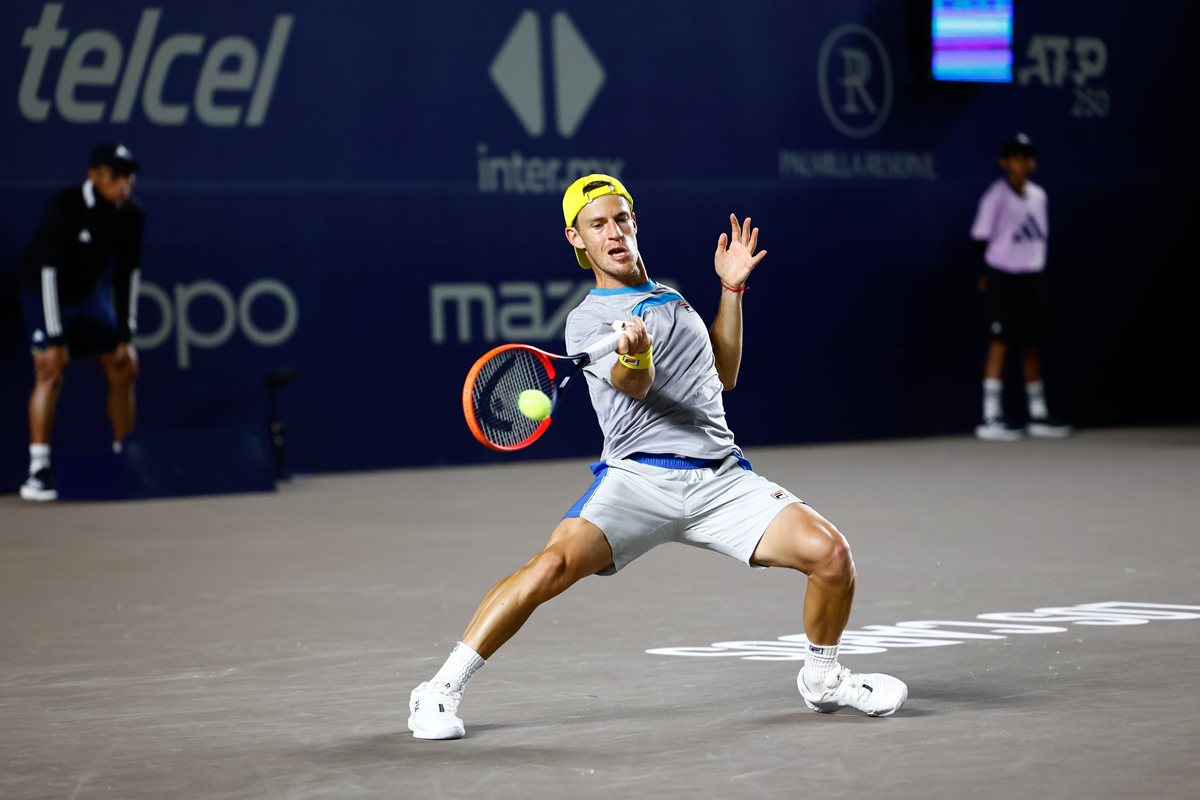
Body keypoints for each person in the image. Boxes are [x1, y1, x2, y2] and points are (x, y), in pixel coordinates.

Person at [407, 174, 907, 740]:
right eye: (598, 225)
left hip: (720, 479)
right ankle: (438, 689)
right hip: (637, 480)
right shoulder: (586, 321)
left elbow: (724, 373)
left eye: (621, 219)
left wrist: (730, 291)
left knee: (831, 555)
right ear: (577, 239)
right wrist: (636, 354)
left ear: (634, 223)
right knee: (550, 567)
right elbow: (635, 385)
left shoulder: (672, 300)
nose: (613, 233)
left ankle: (822, 679)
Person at [17, 143, 145, 501]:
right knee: (49, 369)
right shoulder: (65, 206)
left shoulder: (132, 214)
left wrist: (126, 336)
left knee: (122, 366)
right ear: (94, 175)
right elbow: (48, 273)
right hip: (44, 292)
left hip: (88, 297)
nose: (124, 183)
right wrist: (55, 338)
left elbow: (127, 276)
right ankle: (38, 470)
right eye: (116, 175)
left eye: (129, 176)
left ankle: (125, 460)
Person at [971, 133, 1072, 441]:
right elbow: (980, 238)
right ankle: (990, 416)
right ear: (1004, 163)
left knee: (1031, 344)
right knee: (1000, 342)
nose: (1023, 163)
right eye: (1016, 158)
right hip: (1003, 277)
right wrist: (986, 273)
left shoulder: (1039, 196)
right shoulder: (996, 196)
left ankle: (1038, 414)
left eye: (1027, 157)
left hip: (1032, 277)